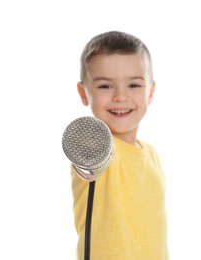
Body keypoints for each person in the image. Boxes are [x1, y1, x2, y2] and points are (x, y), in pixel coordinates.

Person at [71, 31, 169, 259]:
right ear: (84, 93)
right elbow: (82, 144)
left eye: (134, 85)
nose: (120, 97)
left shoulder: (152, 155)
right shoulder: (95, 147)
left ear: (150, 92)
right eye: (105, 86)